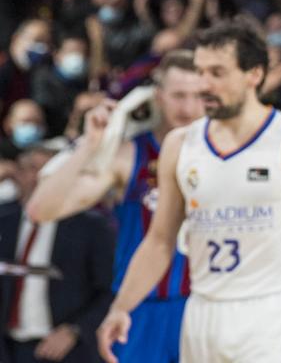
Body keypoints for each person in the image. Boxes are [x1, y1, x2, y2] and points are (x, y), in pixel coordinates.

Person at [95, 20, 281, 363]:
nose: (204, 84)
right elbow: (159, 241)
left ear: (254, 74)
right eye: (200, 72)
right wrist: (121, 307)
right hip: (202, 311)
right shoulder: (180, 144)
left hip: (273, 311)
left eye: (217, 73)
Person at [26, 50, 203, 363]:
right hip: (139, 310)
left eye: (197, 96)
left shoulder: (224, 155)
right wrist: (89, 146)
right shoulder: (130, 155)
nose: (188, 108)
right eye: (178, 95)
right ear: (158, 97)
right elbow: (41, 210)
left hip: (206, 305)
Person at [1, 145, 114, 363]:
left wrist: (75, 330)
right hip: (11, 349)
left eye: (48, 172)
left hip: (68, 350)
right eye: (31, 168)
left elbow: (110, 290)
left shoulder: (91, 226)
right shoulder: (5, 220)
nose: (38, 178)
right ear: (18, 173)